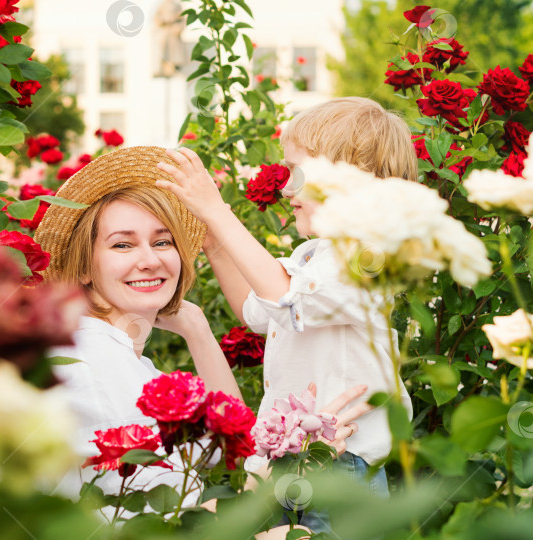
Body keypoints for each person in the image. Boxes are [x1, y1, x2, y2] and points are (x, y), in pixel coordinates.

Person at [34, 146, 369, 534]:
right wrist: (289, 468)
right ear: (84, 267)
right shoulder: (94, 367)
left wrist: (196, 328)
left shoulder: (122, 360)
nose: (150, 260)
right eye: (122, 244)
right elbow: (168, 529)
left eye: (162, 242)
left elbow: (238, 439)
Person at [155, 98, 418, 516]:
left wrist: (217, 211)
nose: (286, 188)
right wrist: (215, 244)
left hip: (342, 467)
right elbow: (256, 308)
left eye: (299, 174)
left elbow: (284, 297)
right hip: (301, 458)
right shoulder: (315, 255)